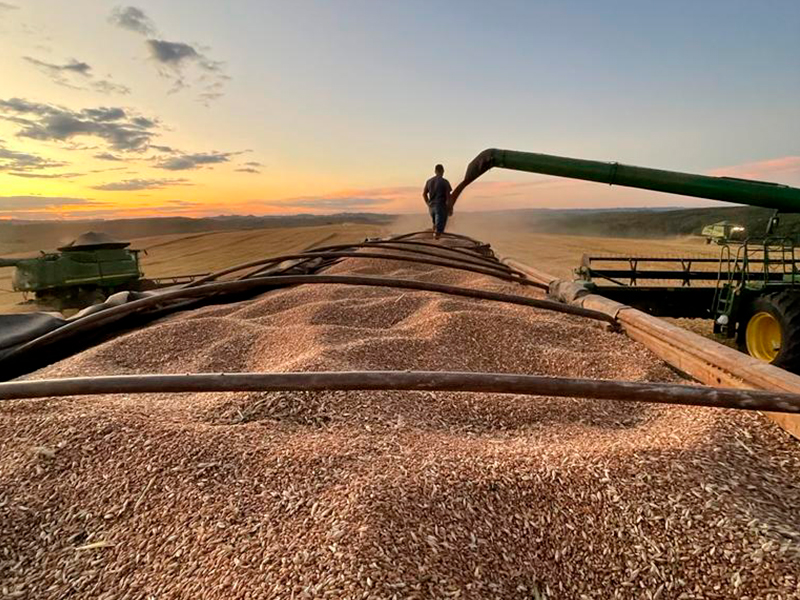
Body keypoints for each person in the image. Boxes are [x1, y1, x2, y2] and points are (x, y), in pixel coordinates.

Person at [423, 163, 452, 240]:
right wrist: (450, 208)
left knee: (435, 224)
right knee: (439, 230)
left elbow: (424, 194)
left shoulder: (429, 181)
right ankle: (436, 244)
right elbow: (448, 197)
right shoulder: (445, 182)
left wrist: (428, 204)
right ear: (442, 171)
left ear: (435, 171)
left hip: (431, 208)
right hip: (440, 207)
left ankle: (433, 240)